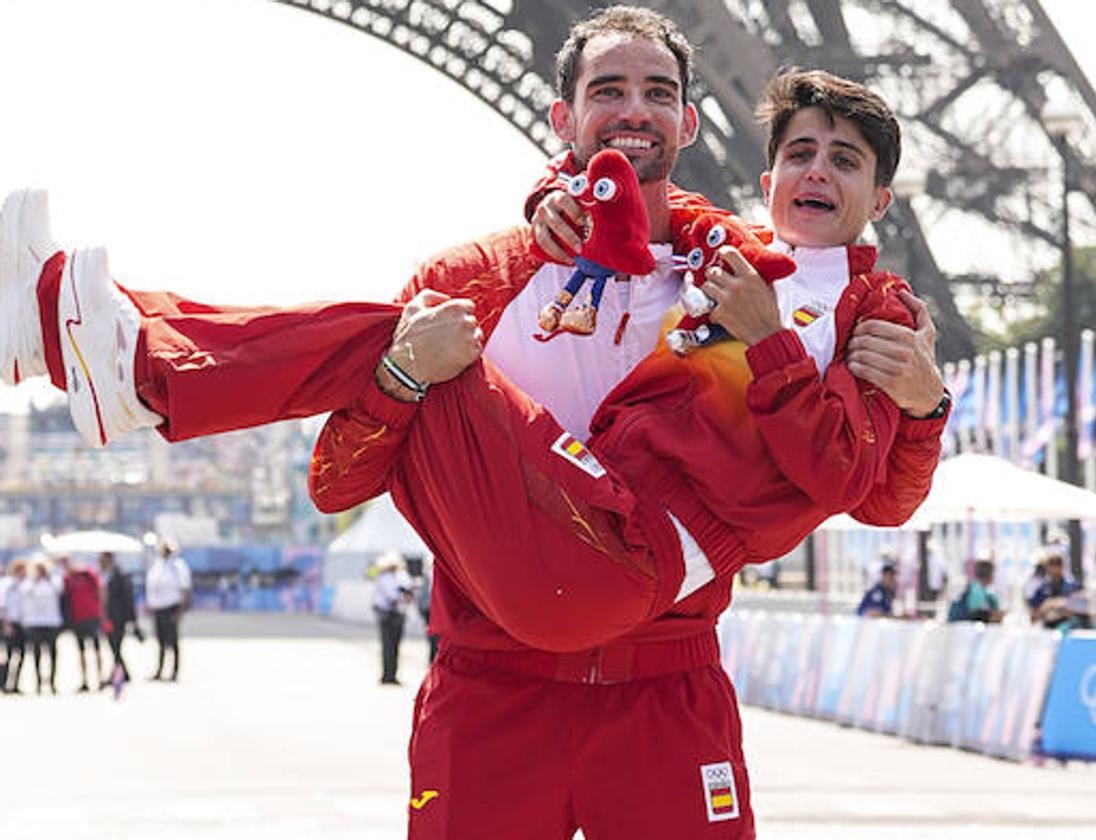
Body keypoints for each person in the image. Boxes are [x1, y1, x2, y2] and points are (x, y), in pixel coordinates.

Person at [0, 8, 945, 835]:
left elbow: (881, 496)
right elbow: (336, 480)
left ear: (690, 122)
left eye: (657, 92)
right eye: (607, 89)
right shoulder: (475, 280)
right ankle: (125, 360)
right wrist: (408, 376)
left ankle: (135, 366)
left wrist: (927, 404)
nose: (633, 110)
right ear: (562, 117)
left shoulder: (741, 273)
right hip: (497, 687)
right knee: (396, 336)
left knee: (388, 337)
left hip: (664, 682)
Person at [144, 539, 191, 682]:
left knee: (173, 641)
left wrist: (180, 611)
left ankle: (174, 672)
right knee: (160, 640)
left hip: (171, 607)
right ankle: (160, 670)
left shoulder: (178, 566)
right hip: (158, 608)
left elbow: (185, 589)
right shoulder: (157, 565)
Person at [61, 555, 106, 691]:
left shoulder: (88, 574)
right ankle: (85, 680)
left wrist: (101, 612)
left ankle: (100, 679)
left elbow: (100, 591)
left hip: (92, 616)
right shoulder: (67, 579)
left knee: (96, 648)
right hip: (77, 618)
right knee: (81, 651)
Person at [20, 559, 63, 694]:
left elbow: (59, 590)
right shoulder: (29, 582)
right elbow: (24, 593)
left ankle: (52, 681)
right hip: (35, 622)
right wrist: (35, 580)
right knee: (37, 653)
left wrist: (48, 578)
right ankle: (38, 682)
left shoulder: (53, 580)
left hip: (51, 621)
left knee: (52, 652)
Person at [99, 551, 141, 686]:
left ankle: (121, 673)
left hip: (117, 618)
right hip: (106, 617)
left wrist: (132, 619)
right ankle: (120, 672)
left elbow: (128, 599)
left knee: (116, 645)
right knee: (112, 645)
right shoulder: (102, 575)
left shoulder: (120, 576)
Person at [372, 553, 414, 685]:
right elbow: (392, 595)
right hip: (387, 614)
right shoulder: (384, 578)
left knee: (394, 646)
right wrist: (403, 596)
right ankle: (387, 674)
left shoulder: (400, 576)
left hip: (397, 614)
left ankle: (392, 674)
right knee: (388, 645)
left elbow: (408, 590)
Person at [1028, 553, 1085, 631]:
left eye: (1057, 565)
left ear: (1062, 567)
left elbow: (1083, 610)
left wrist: (1064, 604)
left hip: (1070, 629)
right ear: (1047, 567)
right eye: (1051, 565)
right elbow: (1033, 618)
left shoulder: (1073, 587)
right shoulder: (1041, 589)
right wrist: (1046, 606)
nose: (1054, 569)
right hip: (1048, 629)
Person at [0, 559, 25, 693]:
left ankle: (15, 683)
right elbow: (2, 606)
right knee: (7, 655)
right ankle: (4, 683)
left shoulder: (25, 584)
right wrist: (6, 625)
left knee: (20, 654)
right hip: (9, 623)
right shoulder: (7, 584)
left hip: (22, 623)